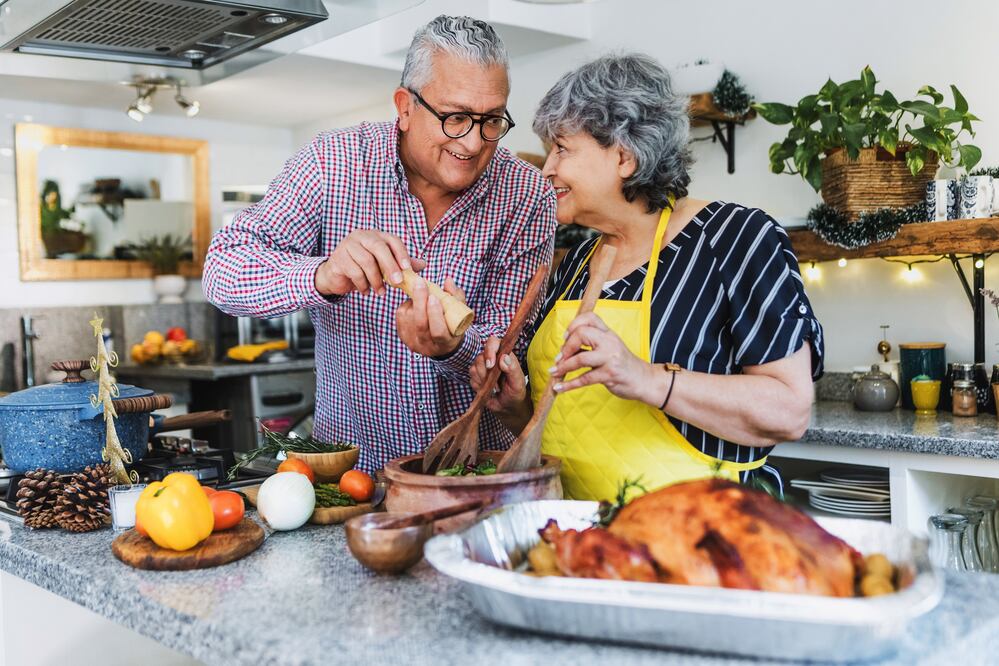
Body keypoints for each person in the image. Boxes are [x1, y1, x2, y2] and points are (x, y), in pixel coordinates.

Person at [204, 16, 556, 471]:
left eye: (491, 120)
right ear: (405, 107)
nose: (472, 142)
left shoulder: (526, 194)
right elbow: (223, 271)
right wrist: (321, 275)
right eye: (456, 118)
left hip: (474, 472)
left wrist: (451, 349)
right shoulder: (332, 164)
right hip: (349, 477)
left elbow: (508, 351)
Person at [471, 54, 822, 501]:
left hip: (701, 537)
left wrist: (647, 379)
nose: (548, 170)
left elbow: (789, 410)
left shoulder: (737, 239)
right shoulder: (579, 261)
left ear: (624, 155)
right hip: (579, 538)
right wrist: (517, 406)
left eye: (562, 148)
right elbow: (570, 426)